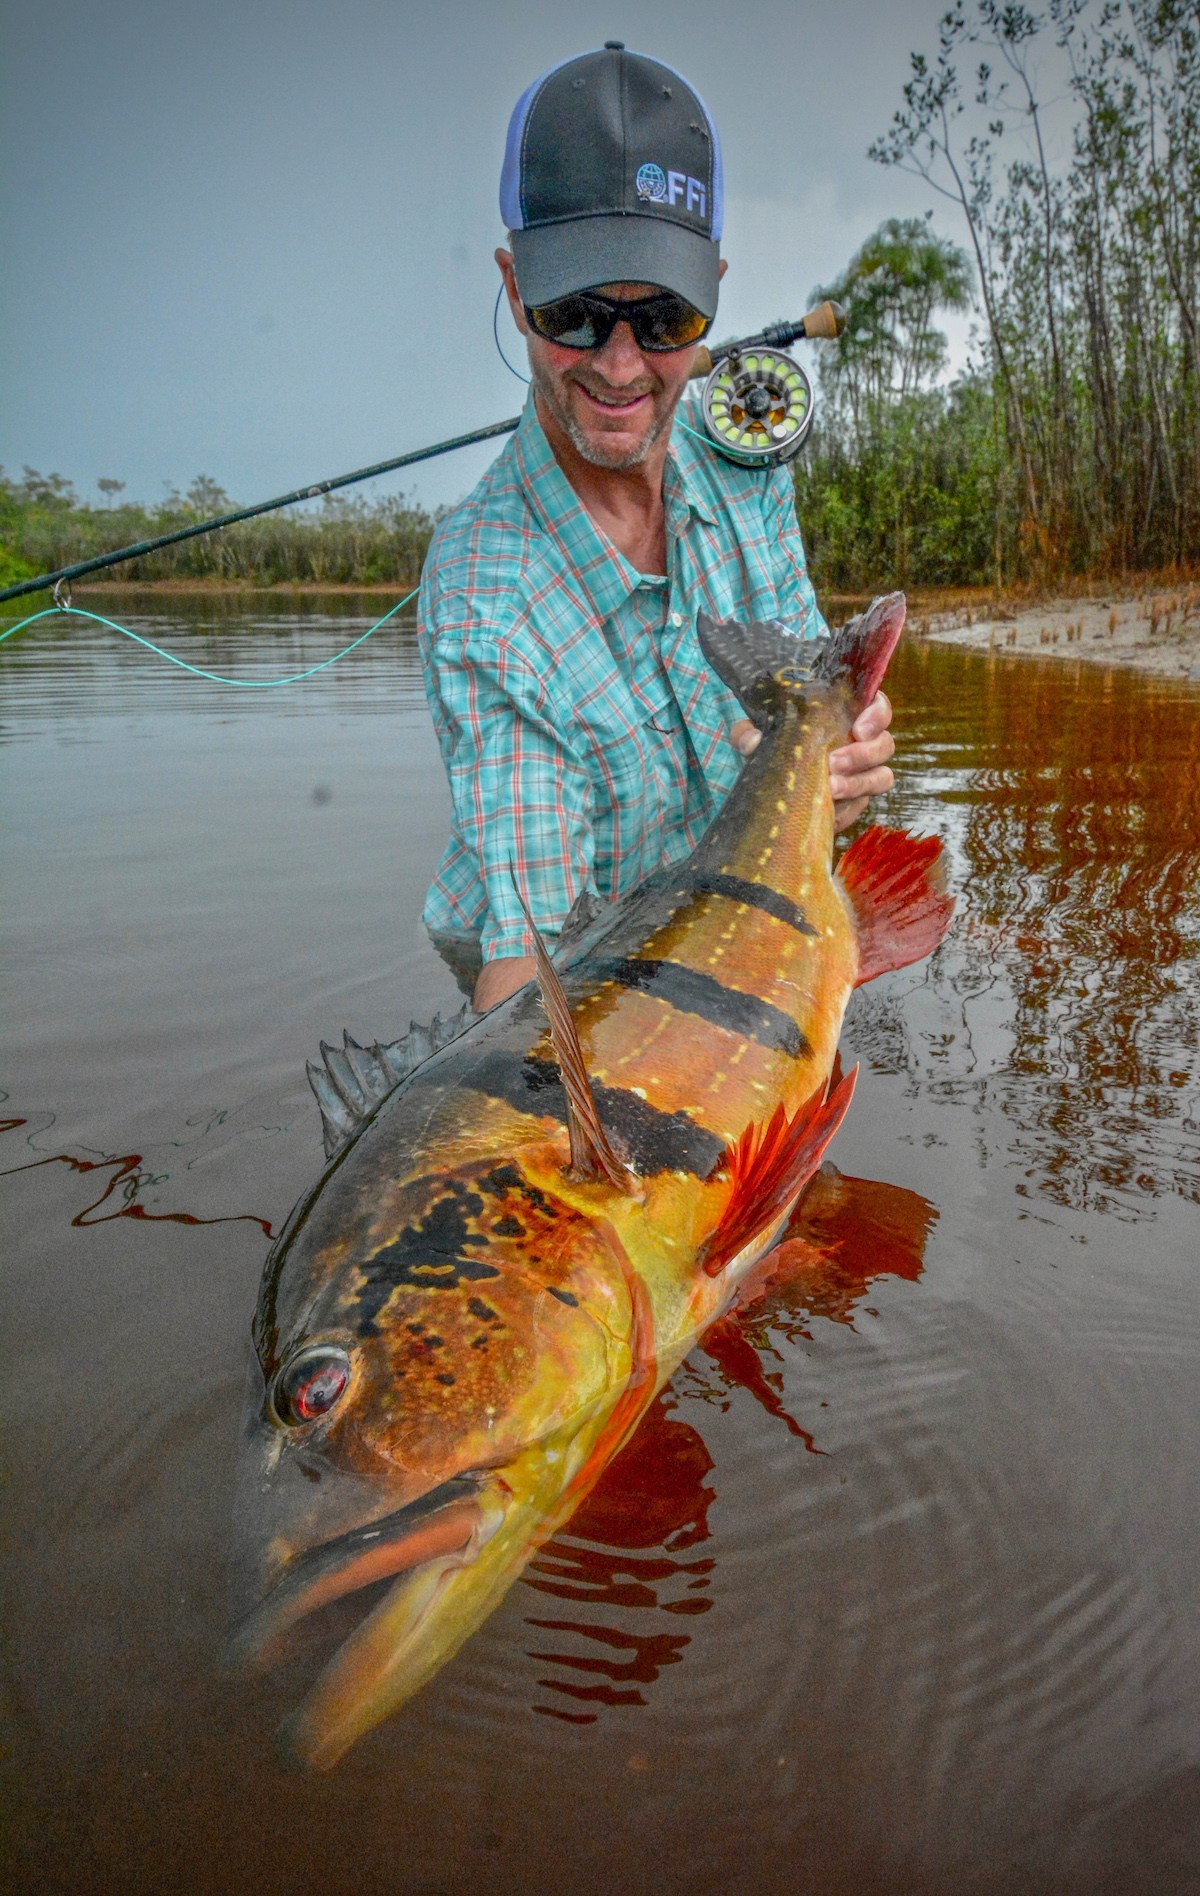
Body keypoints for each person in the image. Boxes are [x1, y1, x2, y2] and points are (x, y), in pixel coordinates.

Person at [419, 42, 894, 1013]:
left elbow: (811, 691)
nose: (624, 367)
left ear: (713, 289)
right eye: (576, 314)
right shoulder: (483, 595)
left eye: (666, 317)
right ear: (514, 290)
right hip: (604, 987)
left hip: (752, 952)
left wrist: (831, 767)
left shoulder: (738, 459)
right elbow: (527, 967)